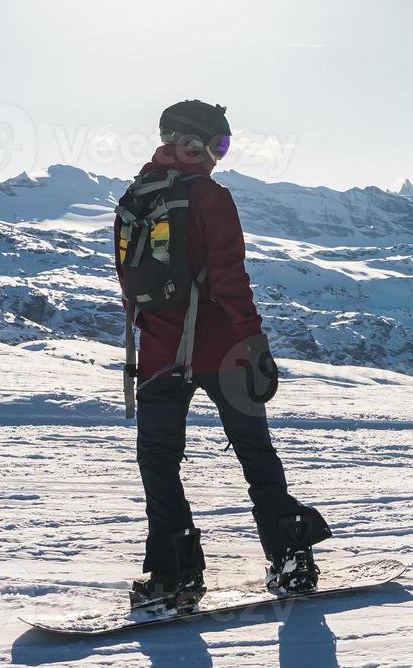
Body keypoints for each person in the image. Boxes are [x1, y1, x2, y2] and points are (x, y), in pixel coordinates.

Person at [114, 100, 331, 610]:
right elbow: (231, 278)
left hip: (160, 355)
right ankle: (291, 562)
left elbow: (128, 284)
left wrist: (158, 337)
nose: (219, 156)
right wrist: (254, 343)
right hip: (223, 348)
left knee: (159, 462)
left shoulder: (134, 197)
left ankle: (174, 575)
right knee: (255, 453)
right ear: (190, 144)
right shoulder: (211, 196)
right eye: (218, 145)